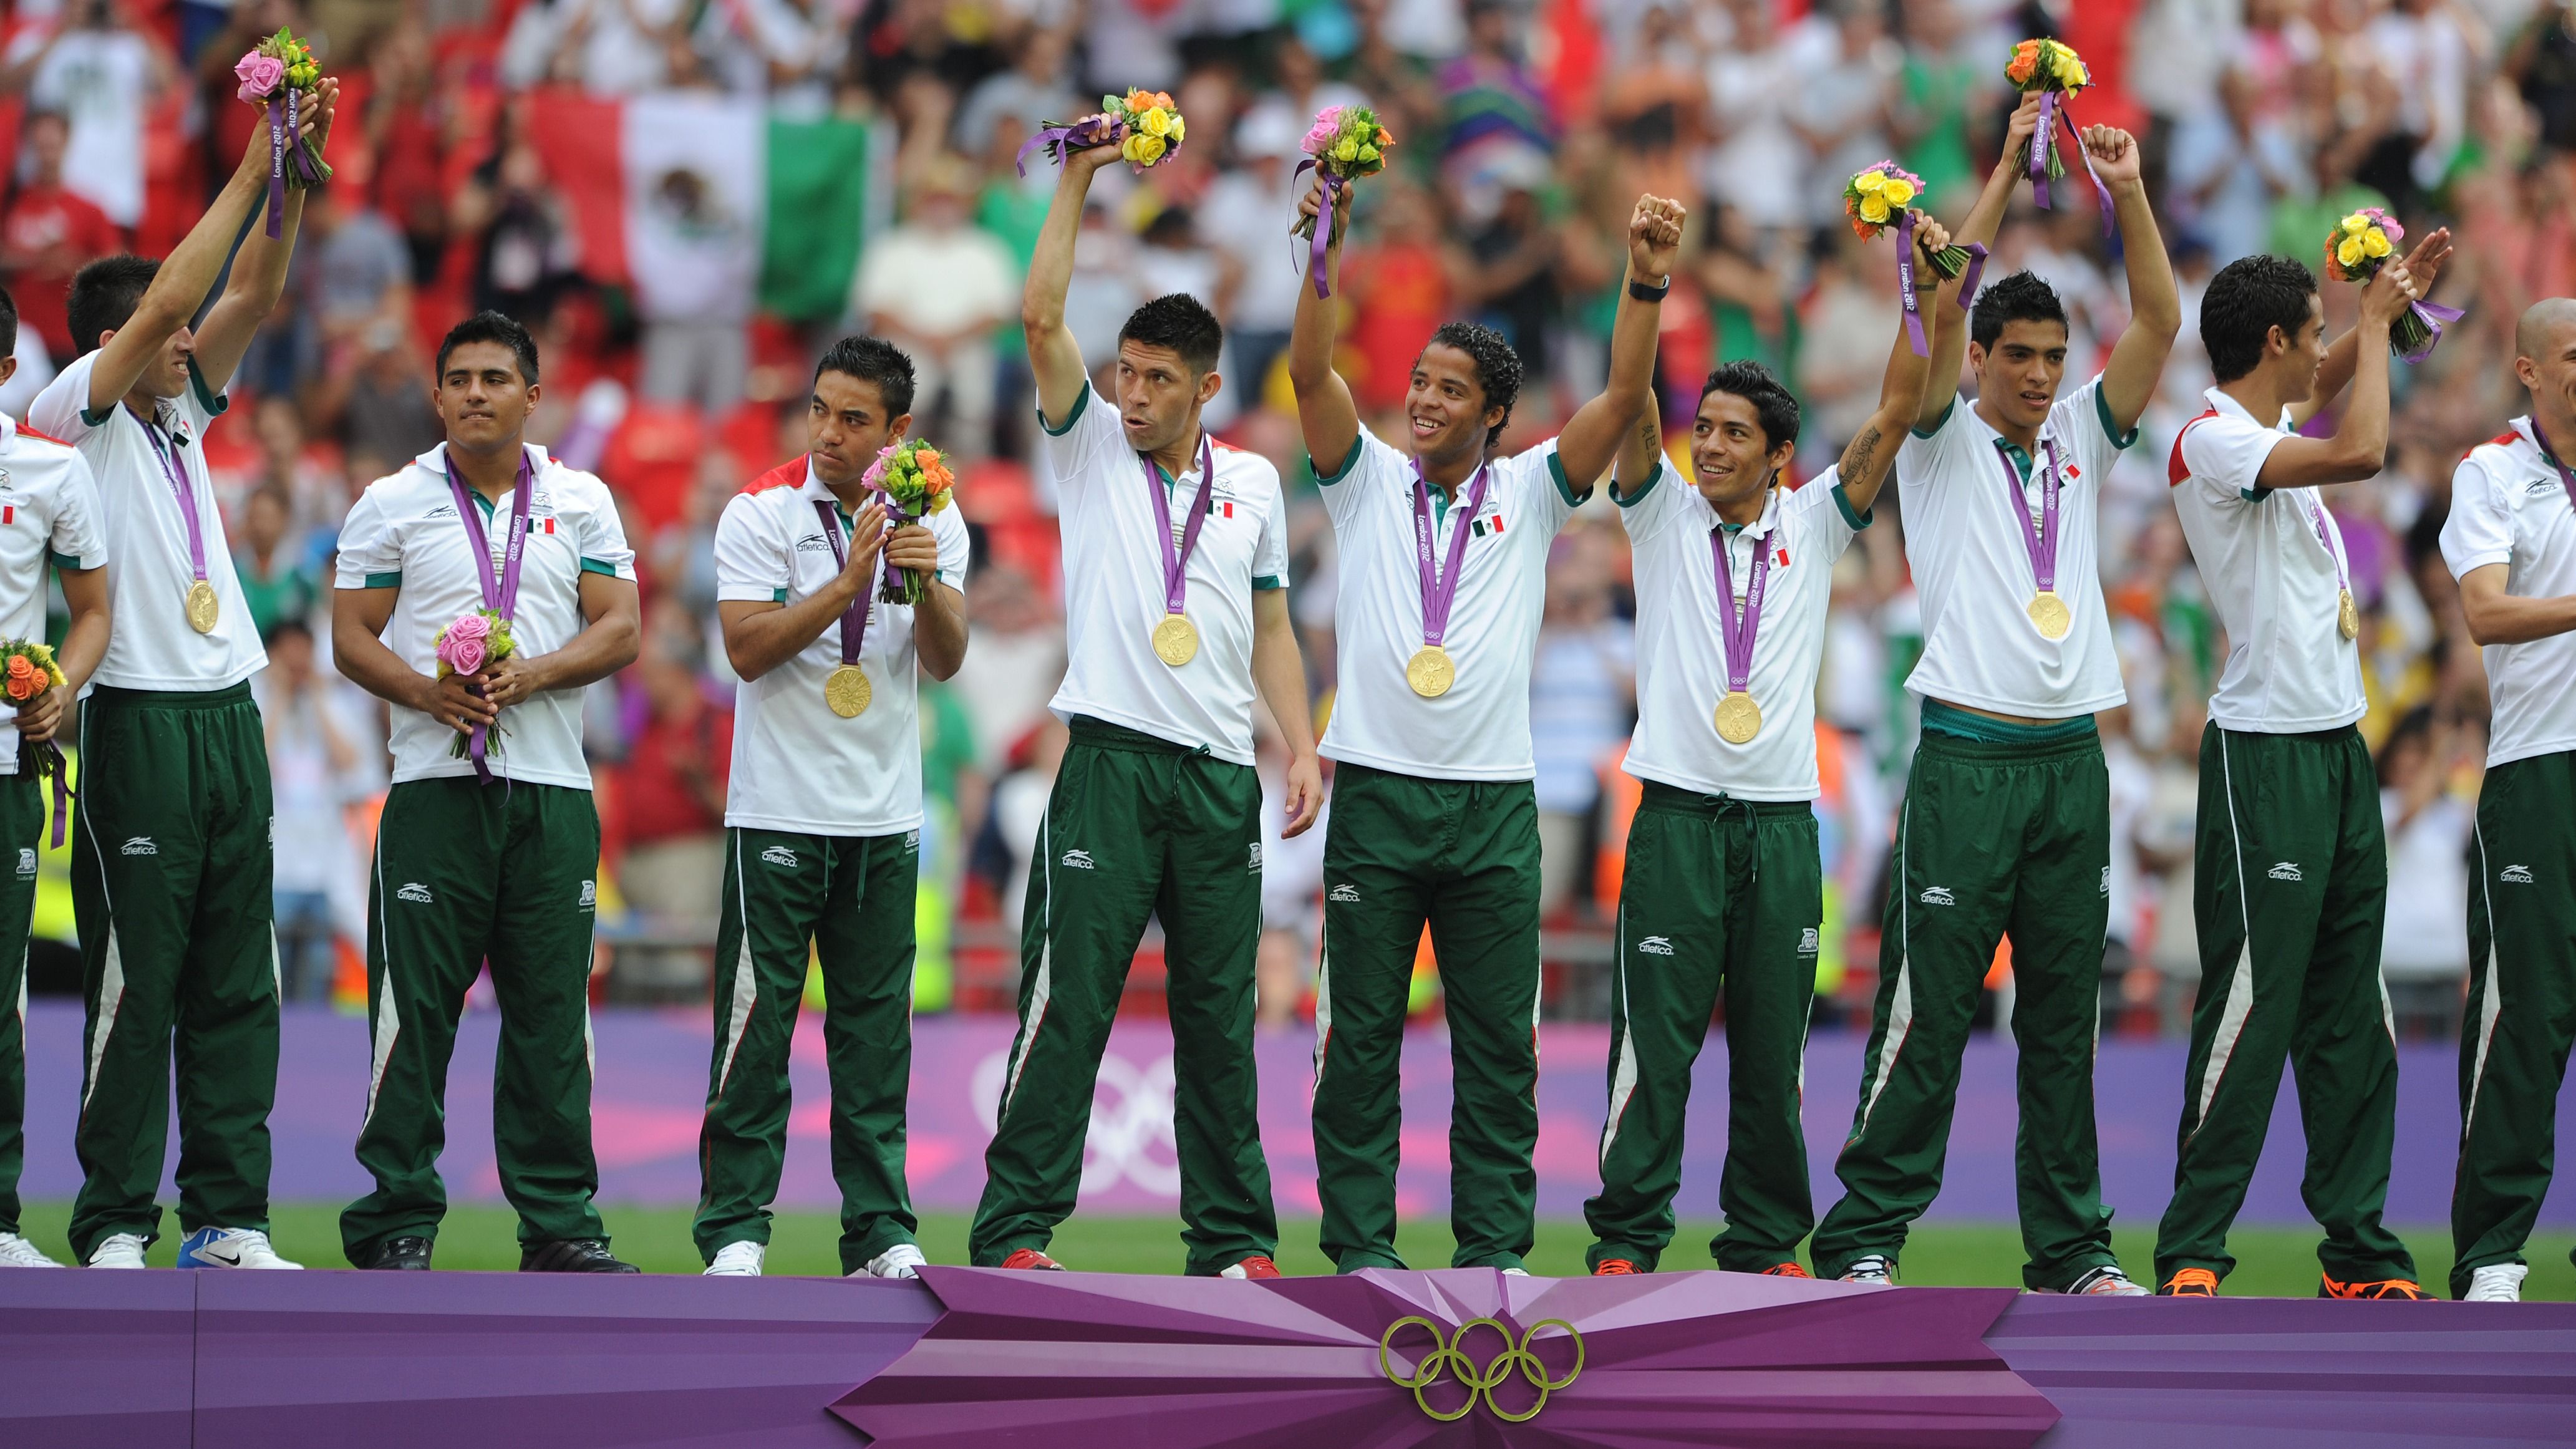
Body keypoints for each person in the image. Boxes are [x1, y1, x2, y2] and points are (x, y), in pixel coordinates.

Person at [1809, 96, 2179, 1296]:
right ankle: (1865, 1237)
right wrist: (2006, 179)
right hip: (1965, 757)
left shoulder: (2082, 433)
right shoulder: (1933, 436)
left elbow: (2163, 319)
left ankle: (2070, 1251)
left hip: (2072, 761)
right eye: (2012, 357)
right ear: (1978, 357)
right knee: (1925, 1010)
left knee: (2059, 1021)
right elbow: (1937, 305)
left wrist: (2120, 190)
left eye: (2047, 360)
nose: (2032, 376)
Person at [1289, 164, 1683, 1274]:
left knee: (1498, 1051)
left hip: (1492, 811)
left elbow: (1615, 402)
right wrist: (1325, 244)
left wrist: (1643, 284)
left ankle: (1494, 1257)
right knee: (1357, 1043)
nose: (1421, 400)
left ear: (1495, 414)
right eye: (1418, 381)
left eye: (1450, 390)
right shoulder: (1361, 479)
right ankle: (1362, 1254)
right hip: (1374, 793)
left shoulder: (1531, 493)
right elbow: (1311, 367)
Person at [968, 134, 1322, 1278]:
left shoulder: (1257, 483)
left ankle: (1230, 1244)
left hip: (1220, 776)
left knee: (1219, 1020)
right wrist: (1078, 177)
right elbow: (1037, 320)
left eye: (1158, 378)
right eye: (1125, 372)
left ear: (1207, 387)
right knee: (1068, 1002)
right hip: (1110, 764)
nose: (1132, 394)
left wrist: (1301, 747)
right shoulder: (1088, 455)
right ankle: (1015, 1231)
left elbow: (1270, 627)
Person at [1584, 215, 1952, 1278]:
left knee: (1770, 1055)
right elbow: (1629, 401)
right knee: (1652, 1047)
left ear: (1780, 454)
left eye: (1734, 434)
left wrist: (1923, 297)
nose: (1710, 445)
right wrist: (1646, 285)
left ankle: (1760, 1244)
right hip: (1678, 819)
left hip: (1784, 825)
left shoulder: (1819, 522)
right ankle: (1624, 1240)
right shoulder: (1657, 513)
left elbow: (1892, 410)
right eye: (1706, 429)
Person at [27, 82, 335, 1273]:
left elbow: (250, 289)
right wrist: (256, 155)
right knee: (134, 980)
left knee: (233, 978)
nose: (195, 340)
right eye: (173, 333)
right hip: (132, 718)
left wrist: (294, 176)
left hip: (225, 715)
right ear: (122, 346)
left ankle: (228, 1218)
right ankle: (111, 1219)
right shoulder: (74, 415)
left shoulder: (182, 415)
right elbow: (179, 294)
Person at [2155, 236, 2450, 1301]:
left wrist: (2376, 306)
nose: (2327, 351)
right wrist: (2372, 329)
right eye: (2314, 334)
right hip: (2263, 752)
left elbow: (2319, 390)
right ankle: (2193, 1245)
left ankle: (2357, 1252)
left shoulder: (2251, 425)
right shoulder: (2209, 440)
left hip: (2336, 748)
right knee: (2249, 1000)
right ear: (2272, 342)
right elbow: (2363, 448)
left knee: (2348, 1011)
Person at [330, 311, 643, 1273]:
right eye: (458, 378)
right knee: (414, 1012)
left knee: (551, 1017)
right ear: (435, 397)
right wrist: (428, 692)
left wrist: (534, 675)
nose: (475, 392)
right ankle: (397, 1223)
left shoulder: (582, 499)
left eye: (495, 378)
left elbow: (622, 627)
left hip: (551, 789)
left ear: (532, 396)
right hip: (430, 787)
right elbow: (350, 636)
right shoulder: (390, 500)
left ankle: (558, 1226)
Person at [695, 336, 968, 1280]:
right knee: (755, 1033)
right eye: (819, 409)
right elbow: (746, 648)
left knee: (872, 1044)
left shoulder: (934, 512)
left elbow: (945, 659)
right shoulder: (761, 509)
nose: (828, 433)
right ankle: (734, 1230)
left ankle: (882, 1233)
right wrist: (848, 584)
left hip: (881, 821)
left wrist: (921, 578)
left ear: (898, 431)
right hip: (774, 810)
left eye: (854, 419)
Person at [2439, 296, 2576, 1304]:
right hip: (2539, 766)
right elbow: (2484, 614)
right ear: (2529, 369)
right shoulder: (2492, 470)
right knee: (2523, 1014)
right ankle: (2491, 1253)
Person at [0, 285, 111, 1268]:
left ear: (5, 374)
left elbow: (91, 614)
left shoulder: (49, 474)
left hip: (4, 768)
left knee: (0, 999)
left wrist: (59, 690)